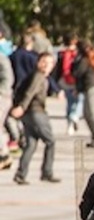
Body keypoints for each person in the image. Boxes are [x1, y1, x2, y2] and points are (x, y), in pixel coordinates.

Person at [11, 52, 57, 185]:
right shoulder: (38, 76)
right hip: (36, 112)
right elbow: (29, 93)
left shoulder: (38, 76)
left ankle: (21, 174)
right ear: (38, 62)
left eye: (50, 63)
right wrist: (22, 107)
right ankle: (47, 172)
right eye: (44, 62)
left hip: (29, 114)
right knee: (50, 141)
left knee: (30, 144)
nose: (47, 65)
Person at [71, 39, 94, 147]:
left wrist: (74, 61)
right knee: (88, 114)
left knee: (92, 114)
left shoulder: (84, 60)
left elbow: (77, 72)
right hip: (90, 88)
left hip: (91, 88)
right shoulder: (90, 57)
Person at [54, 34, 81, 136]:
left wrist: (57, 86)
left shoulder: (62, 54)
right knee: (80, 101)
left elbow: (58, 70)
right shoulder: (77, 53)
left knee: (70, 103)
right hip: (76, 82)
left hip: (64, 82)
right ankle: (75, 116)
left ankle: (70, 124)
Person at [0, 37, 13, 170]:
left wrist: (2, 93)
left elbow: (8, 78)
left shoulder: (2, 58)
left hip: (2, 97)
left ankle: (4, 154)